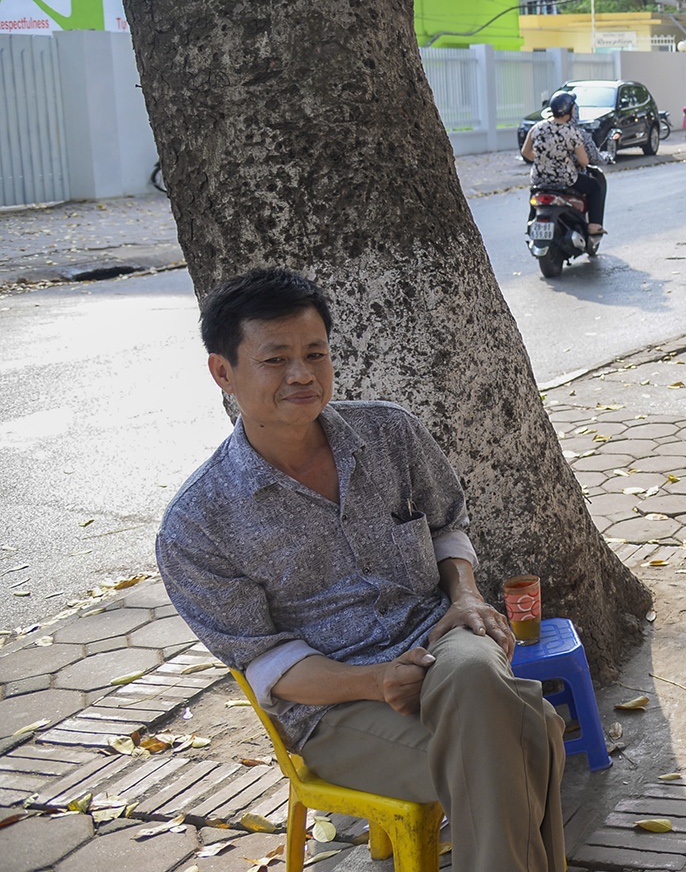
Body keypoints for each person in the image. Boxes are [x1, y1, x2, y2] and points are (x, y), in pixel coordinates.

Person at [156, 270, 566, 872]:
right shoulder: (198, 524)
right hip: (335, 710)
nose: (302, 374)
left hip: (439, 641)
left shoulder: (390, 433)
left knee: (478, 671)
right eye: (275, 359)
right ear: (223, 372)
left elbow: (447, 524)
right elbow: (265, 660)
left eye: (315, 353)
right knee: (530, 733)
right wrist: (375, 681)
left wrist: (465, 595)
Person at [520, 91, 607, 235]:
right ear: (570, 111)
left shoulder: (537, 128)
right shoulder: (571, 132)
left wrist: (545, 160)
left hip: (539, 178)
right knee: (594, 187)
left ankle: (531, 223)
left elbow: (525, 152)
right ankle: (594, 225)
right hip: (565, 180)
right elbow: (583, 161)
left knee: (534, 193)